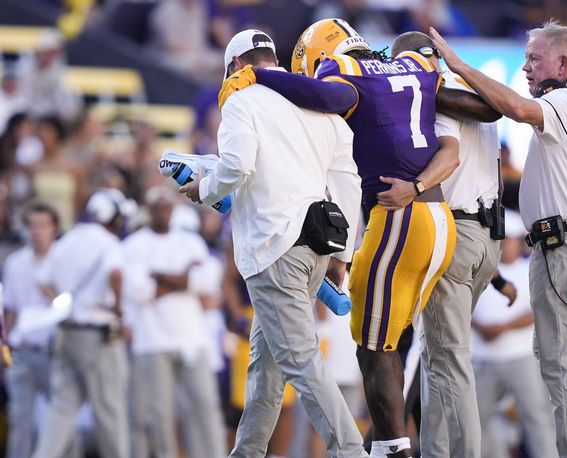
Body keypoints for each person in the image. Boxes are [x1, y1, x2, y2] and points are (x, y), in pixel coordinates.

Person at [216, 19, 477, 458]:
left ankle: (371, 451)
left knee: (372, 351)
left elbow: (330, 98)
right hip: (440, 215)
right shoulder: (409, 65)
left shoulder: (338, 81)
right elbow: (480, 107)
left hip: (396, 213)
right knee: (429, 351)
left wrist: (259, 76)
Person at [430, 20, 567, 457]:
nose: (527, 67)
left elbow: (515, 108)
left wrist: (458, 66)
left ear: (564, 62)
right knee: (558, 360)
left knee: (563, 361)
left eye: (534, 58)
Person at [179, 29, 366, 458]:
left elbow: (237, 165)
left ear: (236, 67)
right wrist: (340, 254)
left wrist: (205, 188)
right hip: (317, 247)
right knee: (264, 371)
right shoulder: (315, 101)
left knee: (300, 362)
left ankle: (351, 451)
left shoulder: (241, 98)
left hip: (273, 251)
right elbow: (347, 180)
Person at [388, 31, 501, 458]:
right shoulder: (470, 94)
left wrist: (414, 187)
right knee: (437, 359)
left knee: (450, 362)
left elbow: (449, 156)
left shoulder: (433, 99)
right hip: (487, 239)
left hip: (455, 235)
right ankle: (435, 452)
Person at [123, 186, 225, 458]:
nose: (161, 212)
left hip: (192, 337)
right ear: (148, 210)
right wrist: (183, 279)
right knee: (161, 414)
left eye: (166, 207)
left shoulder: (189, 241)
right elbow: (139, 291)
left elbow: (207, 282)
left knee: (205, 405)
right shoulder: (134, 245)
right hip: (152, 340)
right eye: (156, 207)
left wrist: (160, 278)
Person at [32, 188, 133, 458]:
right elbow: (116, 272)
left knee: (61, 408)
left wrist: (65, 301)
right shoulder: (109, 243)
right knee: (110, 411)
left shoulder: (70, 238)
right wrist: (118, 306)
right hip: (98, 336)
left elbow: (42, 279)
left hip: (67, 331)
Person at [471, 210, 557, 458]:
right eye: (501, 238)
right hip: (483, 356)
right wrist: (481, 327)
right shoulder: (482, 269)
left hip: (521, 355)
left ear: (520, 240)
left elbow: (539, 310)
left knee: (536, 417)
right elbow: (463, 306)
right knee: (477, 420)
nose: (503, 243)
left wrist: (503, 328)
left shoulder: (531, 267)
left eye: (509, 238)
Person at [3, 203, 59, 458]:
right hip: (23, 351)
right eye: (32, 226)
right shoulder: (15, 264)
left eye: (43, 225)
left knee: (61, 422)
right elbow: (10, 311)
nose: (37, 231)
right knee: (19, 420)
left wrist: (52, 294)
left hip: (55, 352)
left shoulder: (63, 259)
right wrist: (6, 349)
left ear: (53, 229)